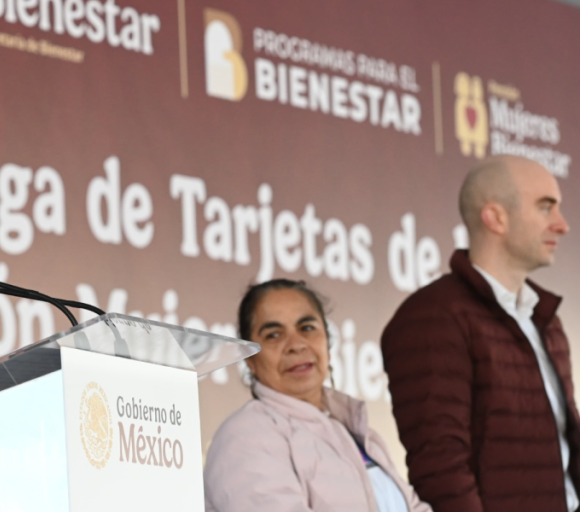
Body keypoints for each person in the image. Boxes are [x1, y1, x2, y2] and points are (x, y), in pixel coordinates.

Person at [381, 155, 577, 512]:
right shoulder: (433, 317)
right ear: (496, 217)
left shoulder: (546, 320)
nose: (562, 225)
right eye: (545, 207)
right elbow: (440, 466)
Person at [204, 279, 432, 512]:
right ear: (250, 359)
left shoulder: (353, 431)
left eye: (307, 328)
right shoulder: (246, 435)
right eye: (273, 334)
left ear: (327, 342)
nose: (296, 345)